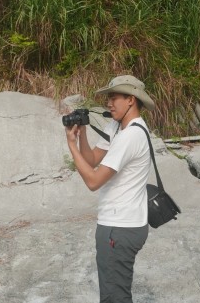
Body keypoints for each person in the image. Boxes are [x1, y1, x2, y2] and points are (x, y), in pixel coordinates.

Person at [65, 75, 155, 302]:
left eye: (114, 98)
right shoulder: (117, 126)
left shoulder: (131, 135)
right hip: (121, 224)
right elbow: (93, 159)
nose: (109, 103)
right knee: (114, 293)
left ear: (131, 100)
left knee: (114, 297)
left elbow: (94, 181)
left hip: (120, 227)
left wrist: (70, 146)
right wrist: (82, 135)